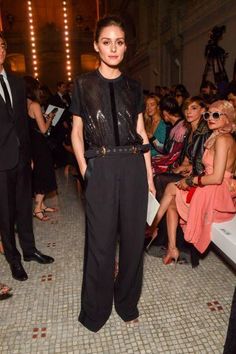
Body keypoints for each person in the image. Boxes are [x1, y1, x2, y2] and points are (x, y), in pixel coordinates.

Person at [71, 15, 155, 332]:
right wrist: (85, 170)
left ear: (125, 46)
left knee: (133, 242)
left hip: (133, 164)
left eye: (119, 42)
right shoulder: (83, 84)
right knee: (100, 243)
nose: (113, 48)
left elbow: (141, 132)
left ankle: (127, 302)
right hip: (101, 167)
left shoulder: (134, 86)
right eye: (106, 41)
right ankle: (95, 310)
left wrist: (148, 176)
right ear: (96, 45)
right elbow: (77, 132)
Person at [151, 100, 236, 264]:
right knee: (171, 201)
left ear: (228, 118)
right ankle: (171, 247)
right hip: (210, 185)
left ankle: (151, 228)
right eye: (208, 114)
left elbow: (217, 177)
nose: (210, 118)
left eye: (216, 114)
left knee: (169, 188)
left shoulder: (223, 140)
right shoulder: (217, 136)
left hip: (216, 190)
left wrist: (191, 181)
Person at [0, 33, 54, 282]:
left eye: (2, 46)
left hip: (21, 157)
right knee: (5, 212)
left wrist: (29, 155)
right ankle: (14, 259)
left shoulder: (17, 82)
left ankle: (30, 250)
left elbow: (21, 123)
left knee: (24, 207)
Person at [24, 76, 58, 221]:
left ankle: (42, 205)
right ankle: (37, 209)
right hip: (40, 145)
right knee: (44, 173)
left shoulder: (25, 104)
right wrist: (50, 117)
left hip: (32, 144)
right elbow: (44, 130)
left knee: (39, 172)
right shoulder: (36, 105)